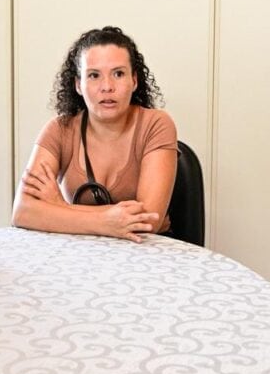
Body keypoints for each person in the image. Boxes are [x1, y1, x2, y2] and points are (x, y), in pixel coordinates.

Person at [12, 26, 178, 241]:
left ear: (134, 81)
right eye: (93, 75)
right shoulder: (59, 129)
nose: (107, 87)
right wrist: (106, 221)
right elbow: (23, 212)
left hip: (146, 253)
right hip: (83, 255)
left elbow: (147, 221)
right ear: (78, 85)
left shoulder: (157, 124)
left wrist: (58, 207)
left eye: (118, 74)